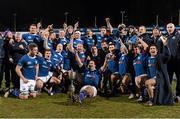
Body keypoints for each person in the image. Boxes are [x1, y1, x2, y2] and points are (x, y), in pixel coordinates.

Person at [165, 23, 180, 100]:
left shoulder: (178, 35)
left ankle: (178, 94)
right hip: (169, 62)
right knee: (168, 78)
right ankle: (169, 94)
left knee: (179, 78)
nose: (169, 28)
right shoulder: (167, 37)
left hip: (178, 61)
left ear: (174, 28)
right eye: (168, 27)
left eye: (171, 27)